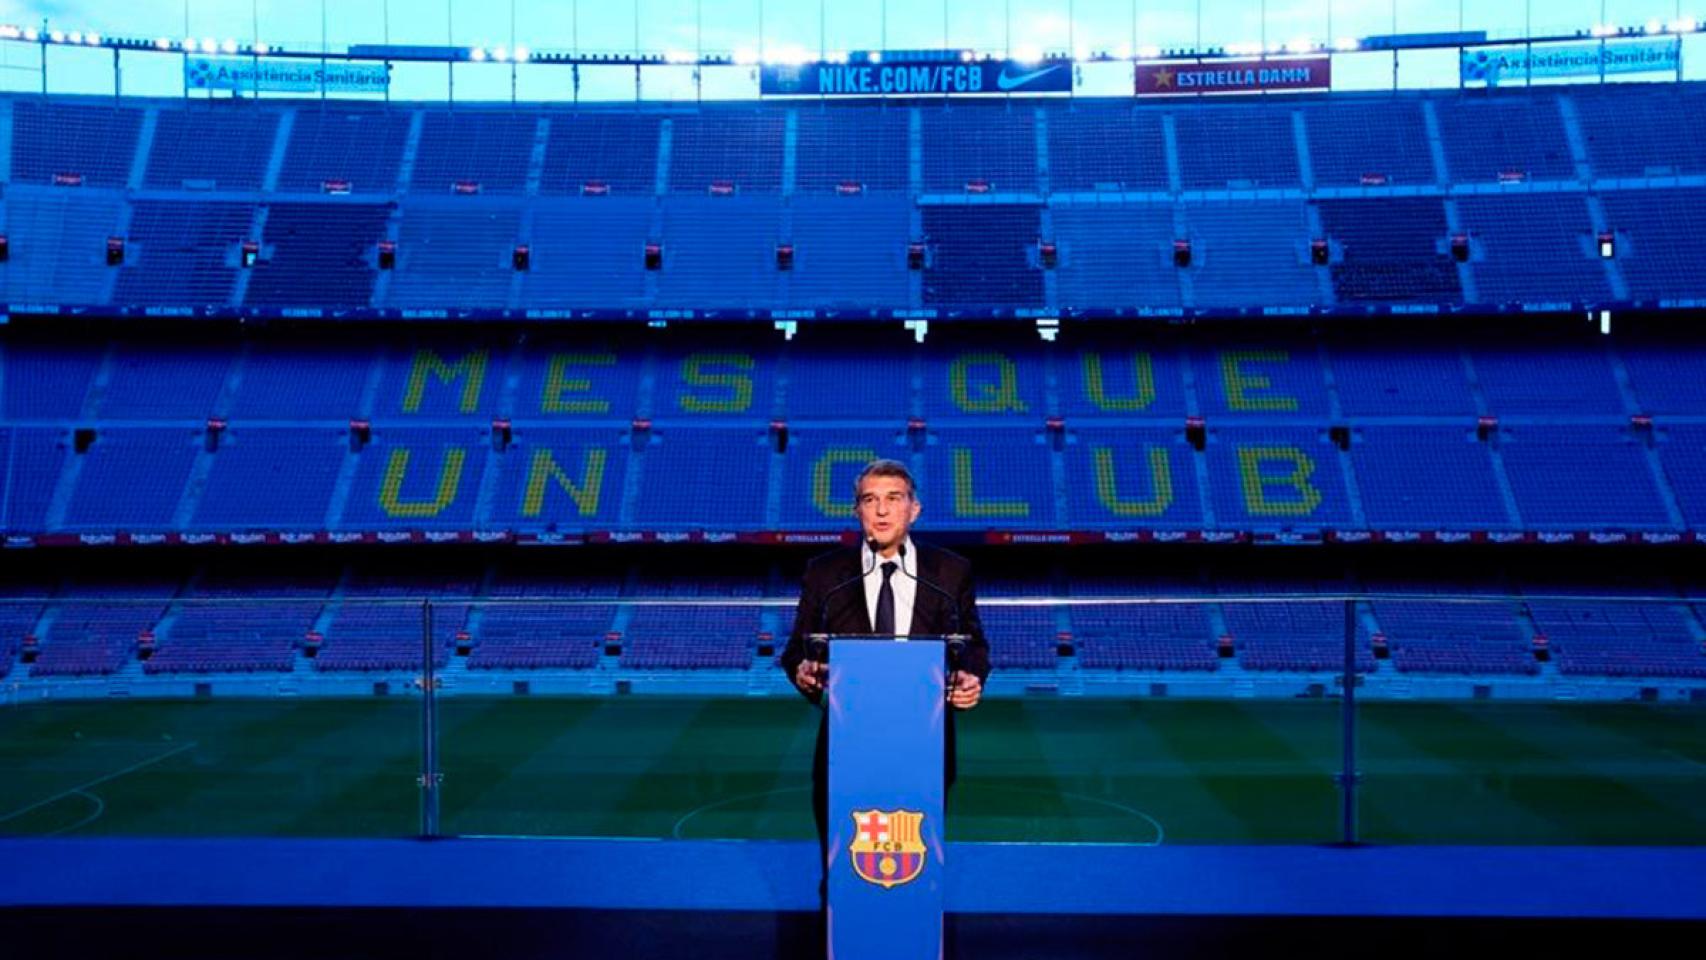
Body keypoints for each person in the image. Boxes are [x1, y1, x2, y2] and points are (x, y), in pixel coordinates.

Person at [777, 457, 990, 899]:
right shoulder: (825, 573)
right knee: (843, 874)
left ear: (914, 509)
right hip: (845, 743)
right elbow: (797, 649)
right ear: (857, 511)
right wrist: (803, 670)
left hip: (926, 745)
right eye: (870, 500)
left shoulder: (950, 572)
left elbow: (972, 643)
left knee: (917, 873)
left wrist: (969, 675)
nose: (881, 511)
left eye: (894, 499)